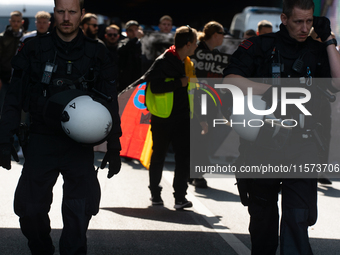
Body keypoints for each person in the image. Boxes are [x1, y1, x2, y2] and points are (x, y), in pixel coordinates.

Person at [0, 0, 122, 254]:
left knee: (79, 213)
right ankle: (41, 248)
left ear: (82, 14)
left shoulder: (97, 53)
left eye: (72, 12)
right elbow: (14, 96)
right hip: (40, 140)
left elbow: (110, 102)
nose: (66, 17)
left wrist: (114, 144)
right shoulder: (34, 49)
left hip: (79, 146)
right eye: (61, 11)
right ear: (54, 12)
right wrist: (4, 137)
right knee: (30, 210)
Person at [222, 0, 340, 254]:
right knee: (263, 219)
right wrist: (274, 90)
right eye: (298, 21)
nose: (304, 27)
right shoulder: (261, 46)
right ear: (284, 19)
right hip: (263, 142)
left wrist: (329, 38)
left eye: (309, 21)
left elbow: (338, 82)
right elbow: (230, 78)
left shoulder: (317, 50)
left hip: (303, 144)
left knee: (298, 217)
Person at [140, 25, 198, 209]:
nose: (196, 46)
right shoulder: (163, 61)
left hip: (183, 118)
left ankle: (180, 197)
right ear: (188, 44)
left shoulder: (187, 63)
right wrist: (178, 83)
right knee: (158, 156)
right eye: (195, 43)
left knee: (184, 158)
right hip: (163, 117)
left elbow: (193, 90)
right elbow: (155, 87)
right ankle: (155, 194)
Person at [189, 21, 226, 188]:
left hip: (209, 101)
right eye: (222, 33)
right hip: (198, 99)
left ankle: (191, 172)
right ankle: (197, 174)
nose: (224, 37)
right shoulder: (199, 53)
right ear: (215, 35)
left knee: (200, 137)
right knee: (200, 137)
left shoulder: (215, 55)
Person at [0, 11, 24, 114]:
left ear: (22, 22)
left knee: (19, 108)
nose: (15, 23)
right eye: (13, 21)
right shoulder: (2, 38)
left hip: (20, 79)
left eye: (18, 21)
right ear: (10, 21)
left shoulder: (25, 38)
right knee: (2, 106)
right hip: (4, 78)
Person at [117, 20, 143, 92]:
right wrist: (135, 39)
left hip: (140, 80)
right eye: (131, 30)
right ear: (127, 33)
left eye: (136, 29)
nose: (134, 32)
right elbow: (121, 50)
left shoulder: (143, 43)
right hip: (126, 81)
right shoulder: (123, 42)